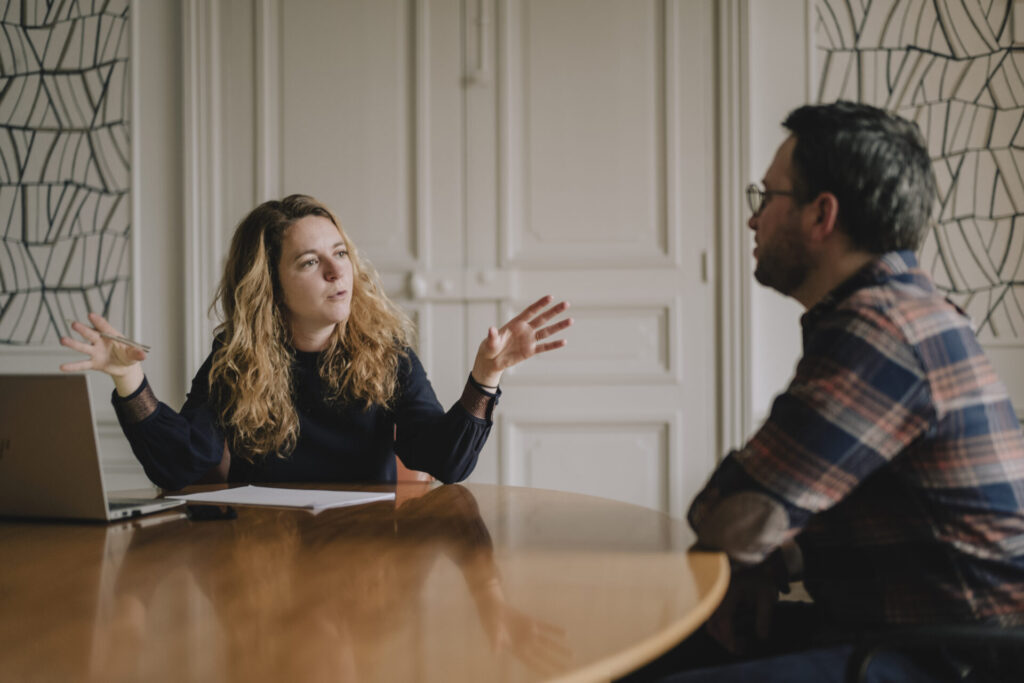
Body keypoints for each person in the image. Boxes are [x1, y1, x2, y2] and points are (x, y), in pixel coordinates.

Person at [624, 102, 1024, 682]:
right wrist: (767, 555)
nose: (752, 220)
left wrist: (751, 545)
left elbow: (731, 516)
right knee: (644, 652)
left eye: (766, 198)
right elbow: (789, 509)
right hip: (912, 630)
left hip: (946, 657)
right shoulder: (907, 312)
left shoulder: (882, 331)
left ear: (821, 216)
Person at [60, 194, 572, 489]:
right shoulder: (234, 360)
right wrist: (130, 381)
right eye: (310, 262)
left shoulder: (386, 353)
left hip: (365, 560)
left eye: (340, 253)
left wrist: (486, 376)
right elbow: (184, 465)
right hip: (261, 560)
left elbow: (446, 462)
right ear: (271, 286)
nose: (335, 271)